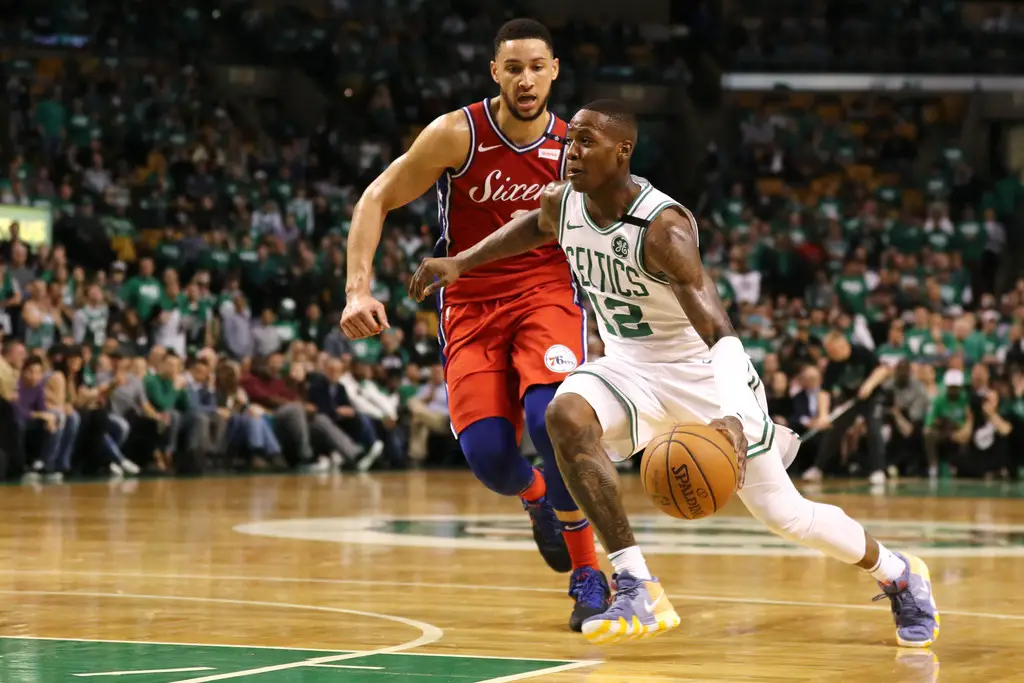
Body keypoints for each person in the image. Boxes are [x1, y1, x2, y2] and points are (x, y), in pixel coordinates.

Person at [409, 99, 939, 648]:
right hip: (629, 367)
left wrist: (734, 418)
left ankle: (899, 574)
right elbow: (531, 227)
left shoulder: (662, 227)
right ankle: (636, 581)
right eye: (571, 141)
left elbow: (720, 334)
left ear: (623, 151)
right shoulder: (562, 202)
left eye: (586, 142)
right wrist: (461, 261)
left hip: (703, 376)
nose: (572, 152)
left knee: (787, 516)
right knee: (565, 415)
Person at [340, 18, 605, 628]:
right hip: (470, 304)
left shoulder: (574, 148)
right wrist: (358, 291)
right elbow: (375, 197)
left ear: (555, 70)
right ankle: (537, 498)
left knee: (551, 420)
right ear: (495, 72)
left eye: (537, 66)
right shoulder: (457, 133)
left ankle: (589, 572)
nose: (526, 78)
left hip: (546, 297)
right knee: (489, 458)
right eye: (513, 67)